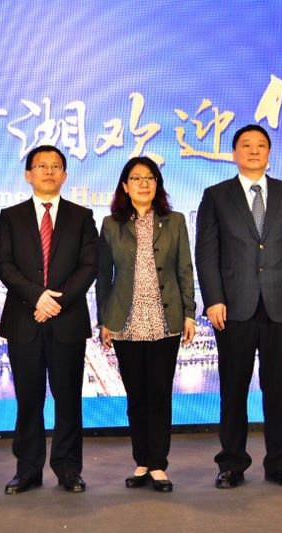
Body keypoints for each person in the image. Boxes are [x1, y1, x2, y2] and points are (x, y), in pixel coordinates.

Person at [196, 124, 282, 489]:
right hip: (233, 308)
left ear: (269, 153)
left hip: (281, 306)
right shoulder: (216, 195)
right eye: (246, 145)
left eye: (260, 145)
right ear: (234, 154)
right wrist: (213, 299)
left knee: (281, 392)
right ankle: (231, 464)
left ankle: (280, 464)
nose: (253, 151)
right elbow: (206, 254)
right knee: (233, 390)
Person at [0, 145, 98, 494]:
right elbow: (3, 264)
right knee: (28, 400)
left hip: (67, 322)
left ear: (65, 175)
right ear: (28, 175)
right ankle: (27, 470)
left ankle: (69, 469)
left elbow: (89, 265)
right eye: (42, 166)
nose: (49, 171)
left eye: (56, 166)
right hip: (24, 320)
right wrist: (36, 296)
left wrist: (57, 302)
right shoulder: (11, 216)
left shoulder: (82, 216)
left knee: (68, 400)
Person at [96, 157, 196, 493]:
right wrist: (104, 320)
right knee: (136, 395)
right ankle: (141, 461)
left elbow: (185, 269)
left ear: (158, 185)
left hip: (164, 319)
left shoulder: (175, 221)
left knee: (159, 394)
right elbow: (103, 277)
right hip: (126, 321)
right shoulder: (111, 224)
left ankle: (158, 465)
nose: (143, 184)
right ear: (125, 186)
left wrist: (189, 313)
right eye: (136, 178)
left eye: (150, 178)